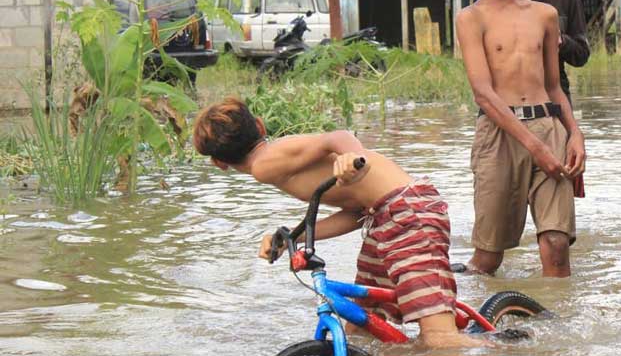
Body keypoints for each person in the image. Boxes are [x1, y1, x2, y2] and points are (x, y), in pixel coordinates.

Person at [191, 97, 480, 349]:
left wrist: (353, 156)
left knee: (439, 340)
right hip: (385, 216)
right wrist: (294, 238)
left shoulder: (264, 164)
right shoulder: (274, 160)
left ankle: (512, 347)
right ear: (260, 124)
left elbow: (337, 137)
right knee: (360, 326)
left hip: (407, 213)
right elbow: (357, 213)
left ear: (218, 162)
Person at [455, 0, 586, 277]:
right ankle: (482, 326)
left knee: (557, 246)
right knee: (487, 258)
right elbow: (483, 94)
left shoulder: (546, 15)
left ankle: (561, 328)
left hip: (548, 127)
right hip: (499, 136)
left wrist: (574, 133)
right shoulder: (470, 18)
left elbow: (554, 84)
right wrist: (536, 148)